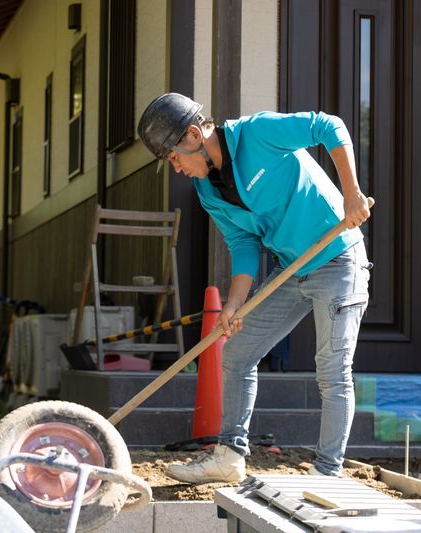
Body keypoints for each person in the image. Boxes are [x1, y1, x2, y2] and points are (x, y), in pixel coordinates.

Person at [137, 93, 372, 483]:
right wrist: (233, 306)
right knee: (237, 354)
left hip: (337, 260)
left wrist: (350, 192)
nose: (176, 168)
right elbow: (243, 243)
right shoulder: (207, 191)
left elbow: (328, 125)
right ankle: (229, 455)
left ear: (194, 135)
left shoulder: (258, 133)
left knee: (332, 371)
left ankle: (328, 471)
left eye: (174, 157)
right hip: (290, 271)